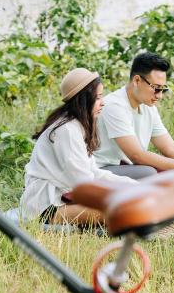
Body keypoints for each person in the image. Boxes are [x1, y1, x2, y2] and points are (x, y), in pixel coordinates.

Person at [20, 68, 135, 227]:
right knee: (119, 210)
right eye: (98, 98)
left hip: (61, 198)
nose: (102, 102)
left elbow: (93, 172)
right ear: (83, 100)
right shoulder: (67, 130)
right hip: (45, 206)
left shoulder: (77, 126)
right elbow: (83, 184)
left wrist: (132, 185)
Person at [94, 52, 174, 182]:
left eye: (163, 89)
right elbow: (137, 155)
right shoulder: (114, 105)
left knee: (173, 173)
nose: (159, 96)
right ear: (137, 80)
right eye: (156, 88)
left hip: (129, 168)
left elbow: (170, 148)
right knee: (151, 172)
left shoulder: (148, 107)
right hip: (102, 170)